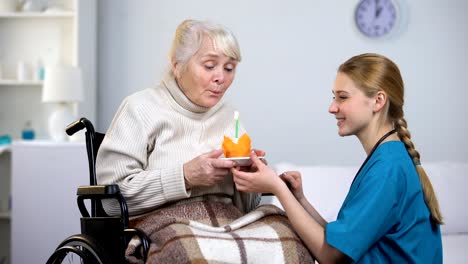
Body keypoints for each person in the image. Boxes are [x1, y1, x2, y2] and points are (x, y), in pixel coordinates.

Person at [96, 19, 313, 263]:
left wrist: (250, 178)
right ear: (178, 66)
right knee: (190, 252)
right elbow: (110, 202)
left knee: (291, 240)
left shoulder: (230, 118)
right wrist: (185, 176)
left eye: (229, 68)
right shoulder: (140, 108)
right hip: (166, 224)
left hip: (229, 221)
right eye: (210, 66)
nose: (221, 77)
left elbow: (246, 207)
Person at [232, 53, 443, 263]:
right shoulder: (387, 158)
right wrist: (299, 199)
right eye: (334, 97)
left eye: (342, 97)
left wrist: (277, 188)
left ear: (378, 101)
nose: (332, 107)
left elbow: (330, 256)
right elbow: (340, 244)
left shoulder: (387, 169)